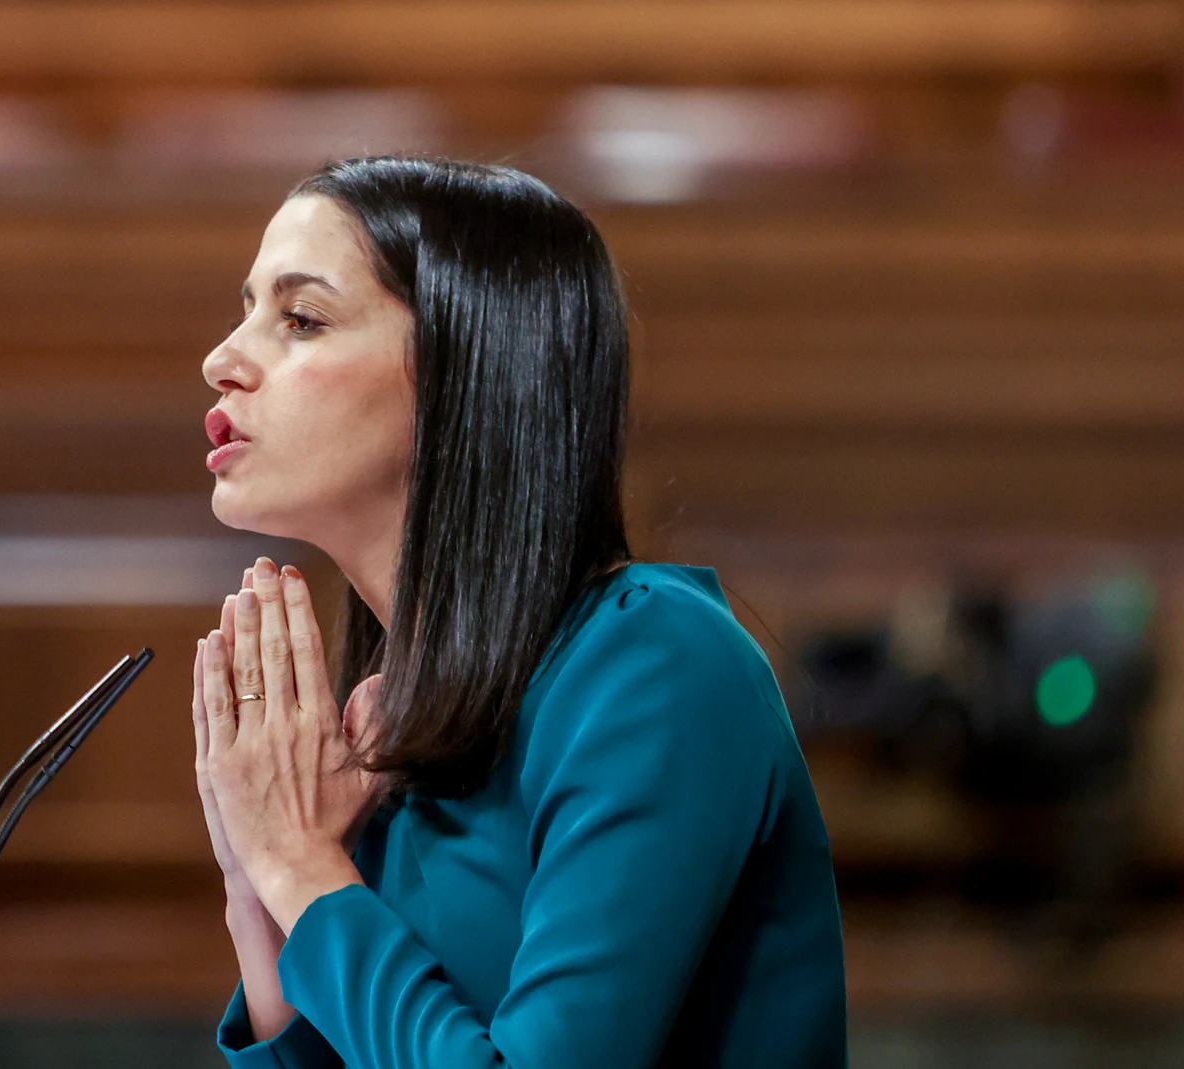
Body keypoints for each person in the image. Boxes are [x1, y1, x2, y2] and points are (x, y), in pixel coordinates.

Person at [189, 156, 847, 1068]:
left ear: (469, 372)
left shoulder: (658, 664)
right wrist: (258, 889)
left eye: (300, 319)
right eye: (248, 310)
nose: (223, 360)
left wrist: (304, 873)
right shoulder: (392, 711)